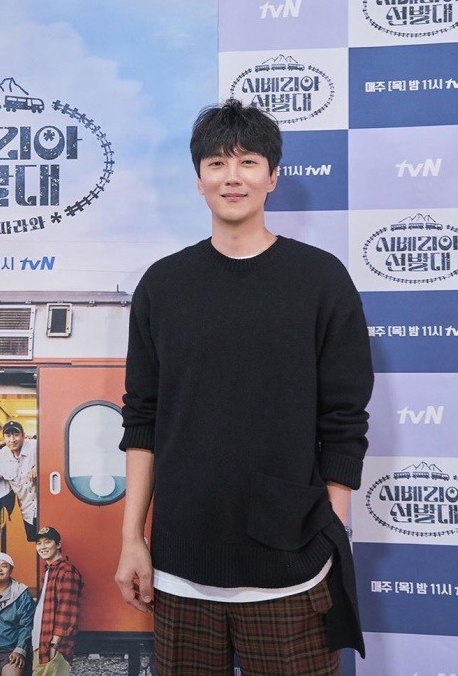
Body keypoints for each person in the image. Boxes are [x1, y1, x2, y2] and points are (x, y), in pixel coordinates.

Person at [115, 99, 374, 675]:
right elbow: (142, 420)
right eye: (217, 163)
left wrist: (332, 528)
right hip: (179, 569)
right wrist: (133, 538)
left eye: (248, 162)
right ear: (199, 179)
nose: (232, 177)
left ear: (272, 176)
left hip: (292, 566)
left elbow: (344, 418)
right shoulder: (163, 285)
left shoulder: (321, 280)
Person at [32, 527, 83, 676]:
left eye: (47, 542)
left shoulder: (66, 571)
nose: (42, 547)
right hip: (41, 642)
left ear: (58, 544)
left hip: (53, 646)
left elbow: (67, 610)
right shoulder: (49, 570)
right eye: (39, 543)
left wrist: (54, 644)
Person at [0, 552, 35, 676]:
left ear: (11, 570)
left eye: (4, 566)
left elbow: (27, 625)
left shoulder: (21, 593)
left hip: (10, 651)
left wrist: (20, 649)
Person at [0, 422, 37, 542]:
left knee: (50, 540)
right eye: (8, 436)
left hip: (47, 506)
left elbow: (58, 454)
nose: (12, 439)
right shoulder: (0, 457)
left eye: (16, 434)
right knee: (37, 543)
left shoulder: (35, 446)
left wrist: (40, 466)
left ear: (23, 435)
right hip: (28, 510)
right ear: (4, 438)